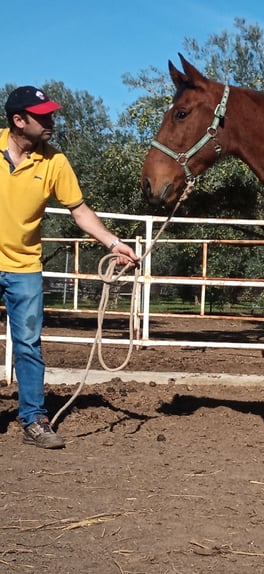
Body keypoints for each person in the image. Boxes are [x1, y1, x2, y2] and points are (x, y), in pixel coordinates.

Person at [1, 85, 139, 448]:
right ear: (18, 120)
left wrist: (113, 243)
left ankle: (33, 419)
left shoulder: (55, 162)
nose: (51, 121)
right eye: (42, 115)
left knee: (28, 344)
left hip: (24, 266)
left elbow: (79, 211)